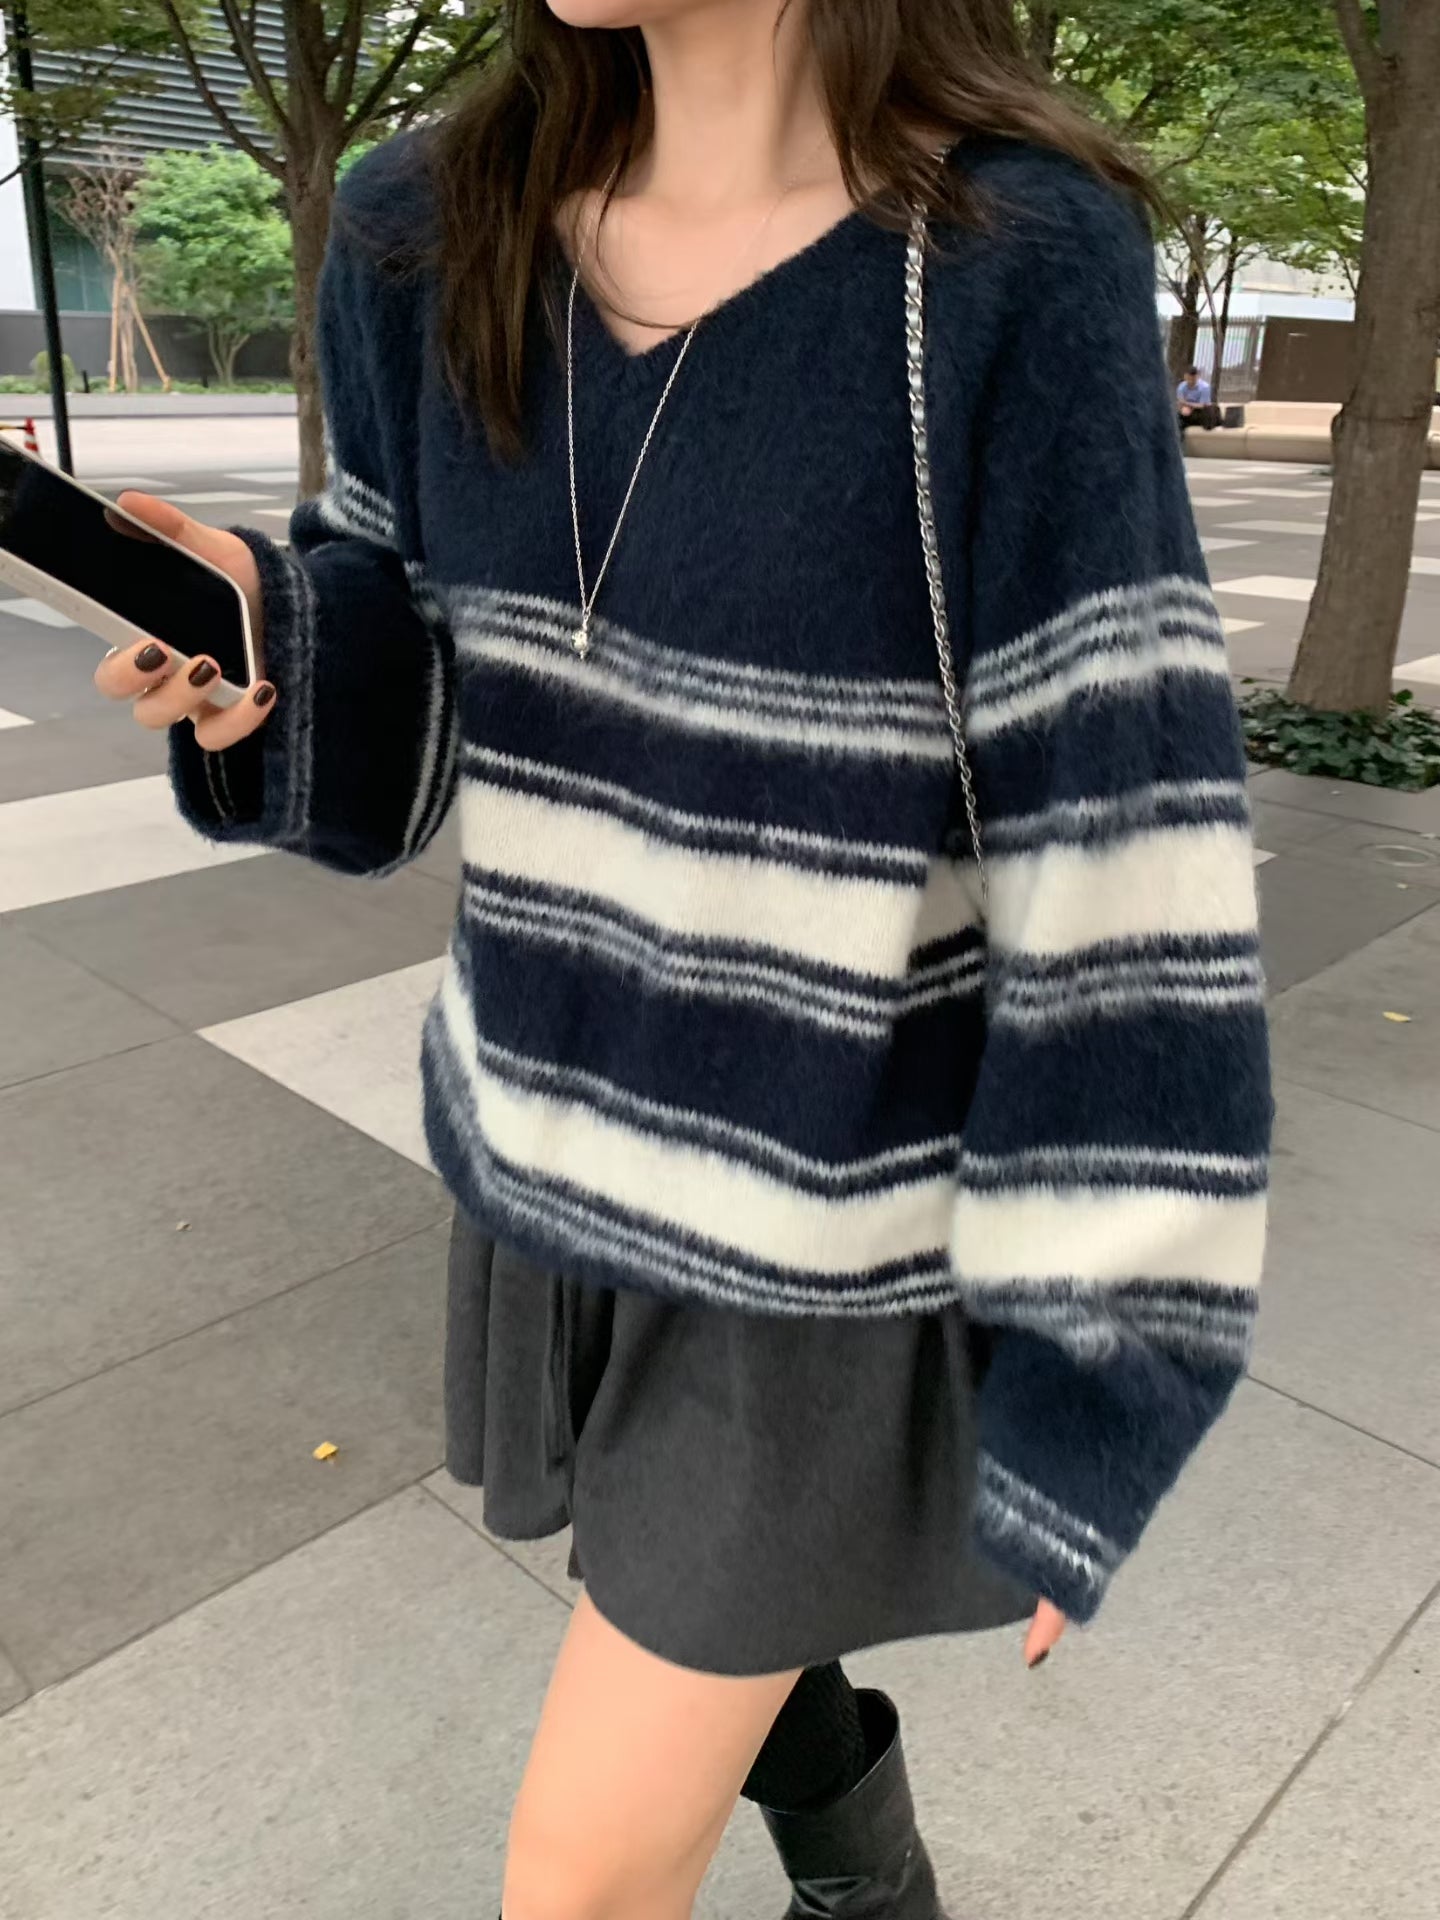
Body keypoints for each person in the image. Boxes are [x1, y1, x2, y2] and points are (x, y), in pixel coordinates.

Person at [95, 2, 1273, 1915]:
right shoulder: (422, 227)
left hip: (820, 1232)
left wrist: (1106, 1361)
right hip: (544, 1143)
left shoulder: (1000, 261)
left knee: (577, 1876)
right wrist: (268, 656)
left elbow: (1116, 834)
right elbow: (413, 698)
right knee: (685, 1603)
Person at [1177, 364, 1216, 430]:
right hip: (1187, 410)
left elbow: (1202, 406)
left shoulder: (1205, 387)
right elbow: (1180, 402)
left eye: (1193, 378)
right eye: (1189, 378)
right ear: (1185, 376)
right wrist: (1183, 408)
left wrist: (1187, 404)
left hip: (1201, 411)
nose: (1191, 381)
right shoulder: (1181, 387)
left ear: (1197, 377)